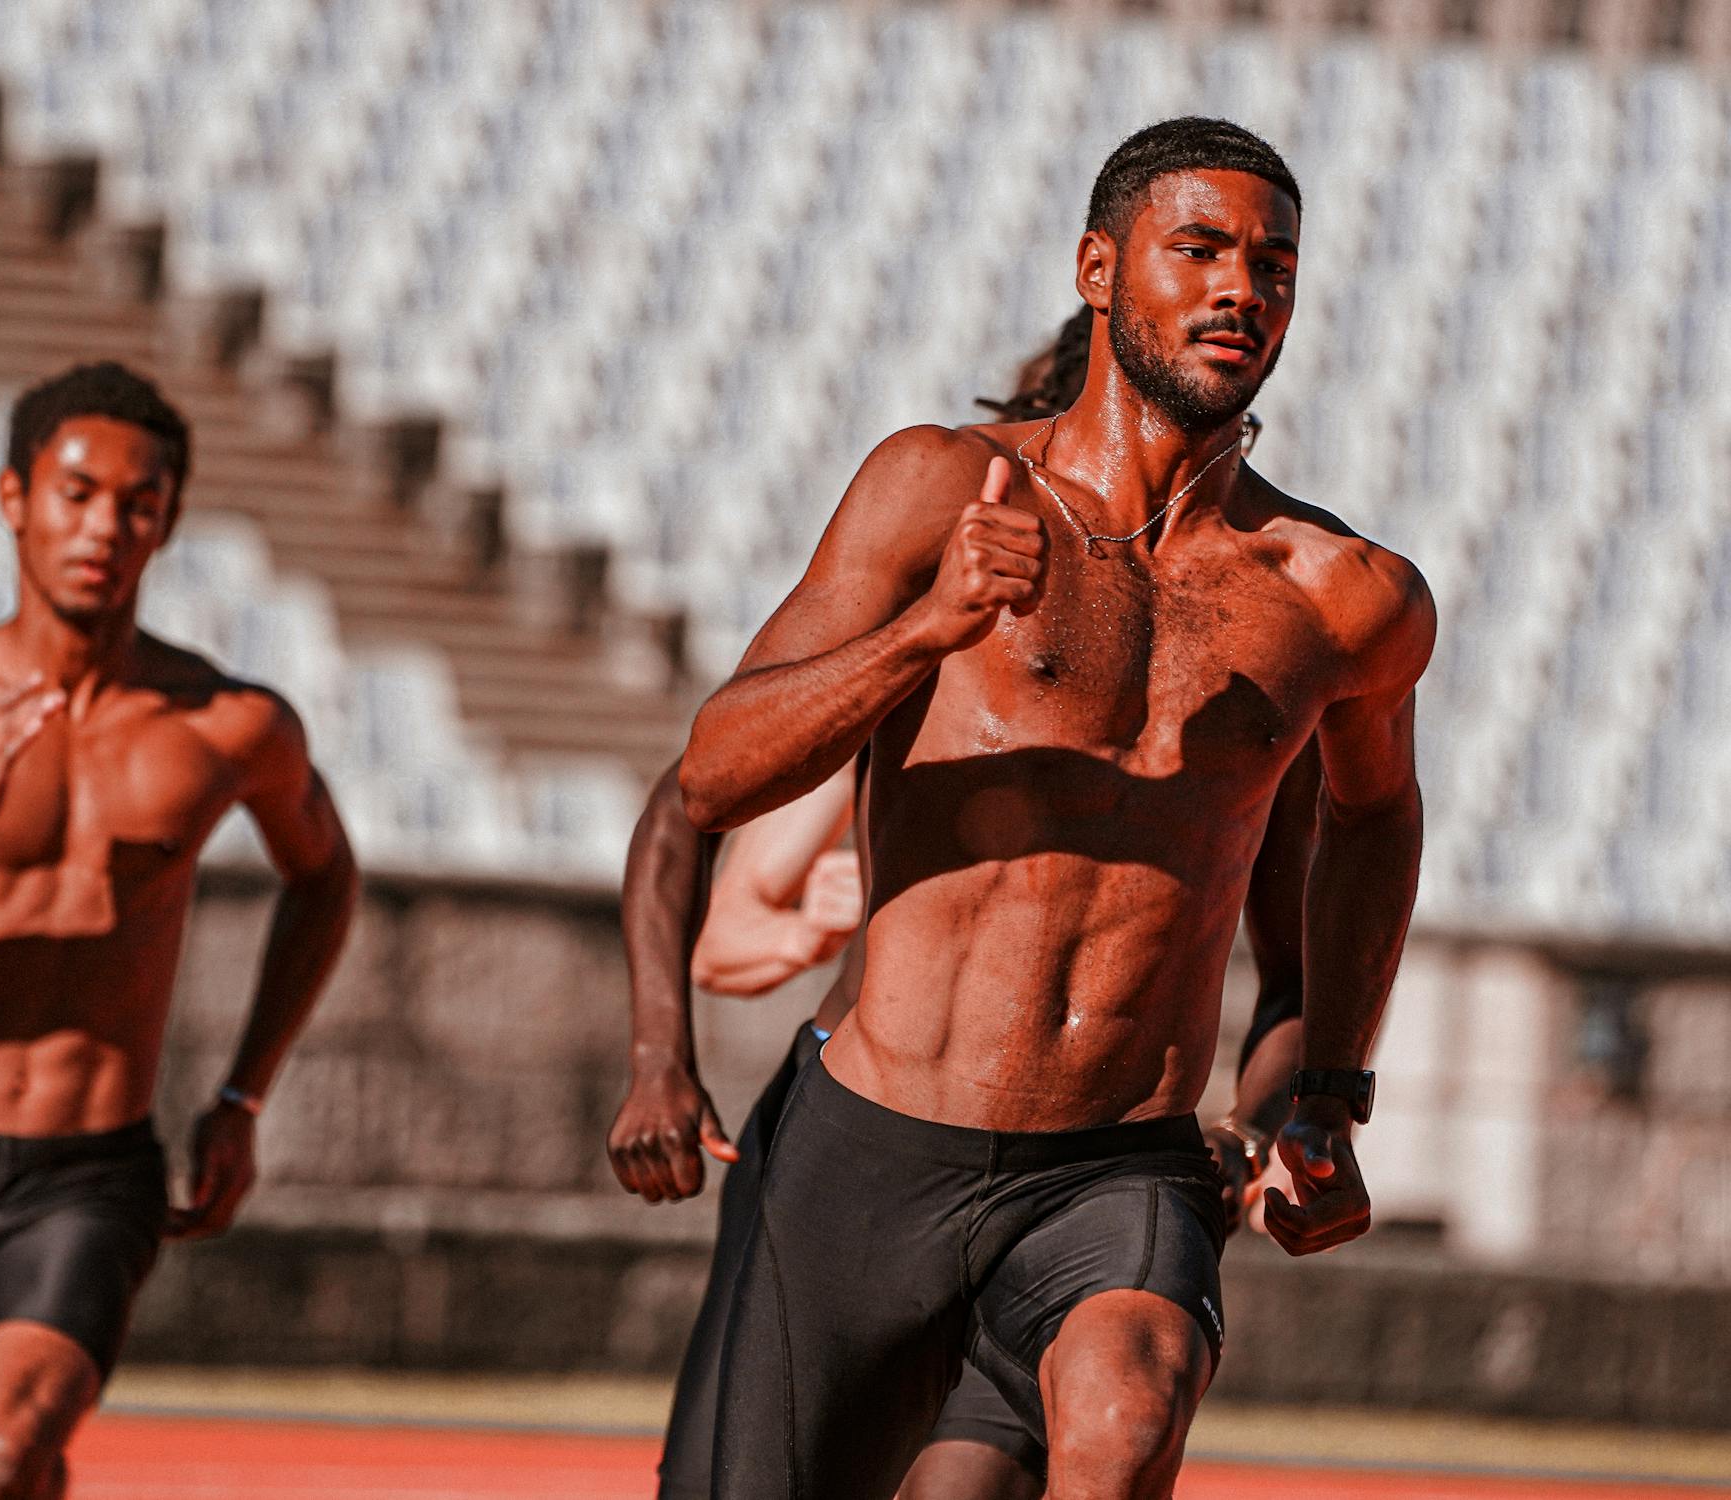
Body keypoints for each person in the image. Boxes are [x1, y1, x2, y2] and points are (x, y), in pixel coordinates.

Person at [678, 116, 1433, 1499]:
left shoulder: (1341, 594)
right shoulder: (934, 488)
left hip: (1120, 1164)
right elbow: (714, 773)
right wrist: (926, 632)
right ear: (1098, 269)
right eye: (1196, 249)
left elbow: (1374, 820)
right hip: (872, 1141)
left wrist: (1328, 1093)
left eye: (1272, 264)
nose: (1238, 290)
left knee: (1125, 1421)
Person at [614, 321, 1322, 1500]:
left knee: (1019, 1465)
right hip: (872, 1135)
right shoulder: (930, 629)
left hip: (1098, 1164)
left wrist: (1269, 1126)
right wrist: (661, 1053)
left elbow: (1305, 950)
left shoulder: (1238, 666)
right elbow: (696, 808)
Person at [0, 362, 359, 1500]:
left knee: (1, 1458)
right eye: (77, 493)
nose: (105, 527)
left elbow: (325, 875)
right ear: (16, 499)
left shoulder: (230, 725)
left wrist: (243, 1094)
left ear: (169, 522)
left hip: (91, 1173)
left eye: (138, 504)